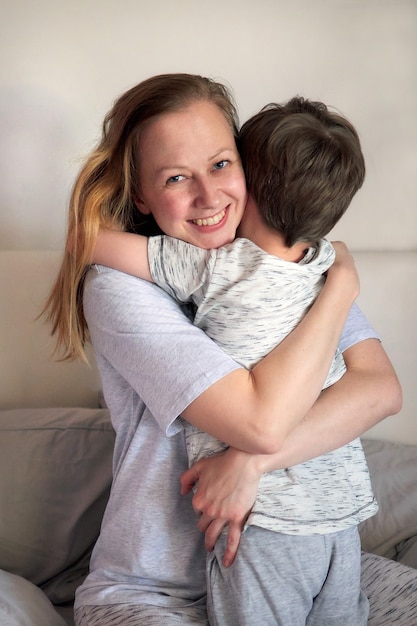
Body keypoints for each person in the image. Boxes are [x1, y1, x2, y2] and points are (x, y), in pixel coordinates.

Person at [42, 74, 404, 626]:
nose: (209, 198)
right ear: (140, 193)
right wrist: (342, 291)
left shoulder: (291, 266)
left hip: (298, 556)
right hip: (158, 592)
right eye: (176, 177)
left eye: (220, 164)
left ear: (248, 166)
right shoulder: (120, 287)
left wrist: (248, 467)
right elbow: (256, 423)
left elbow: (378, 388)